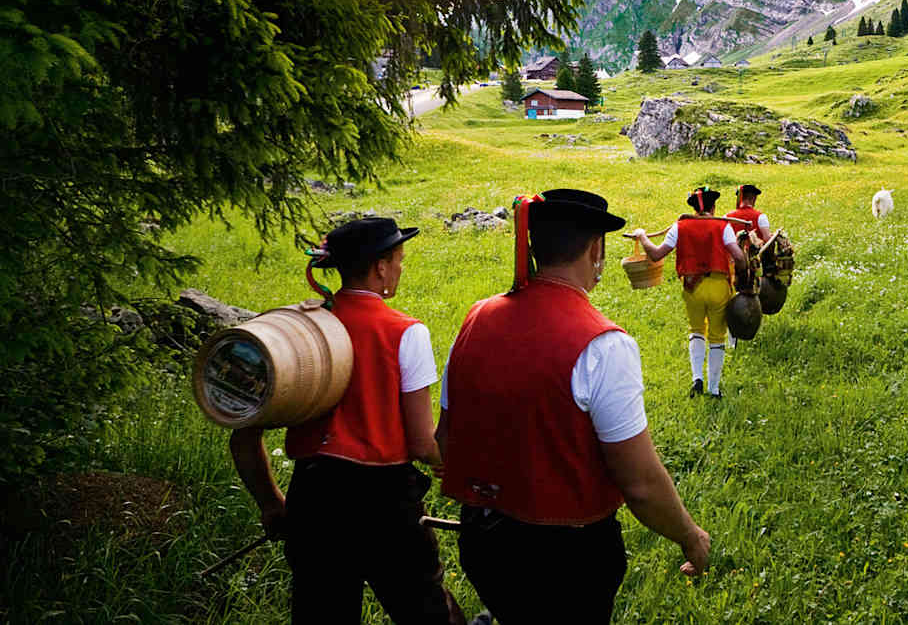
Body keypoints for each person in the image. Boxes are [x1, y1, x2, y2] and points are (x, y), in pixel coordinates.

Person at [439, 190, 710, 624]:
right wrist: (691, 537)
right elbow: (639, 483)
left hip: (483, 541)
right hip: (568, 560)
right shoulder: (605, 344)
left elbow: (444, 438)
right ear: (596, 248)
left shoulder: (476, 318)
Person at [228, 217, 465, 625]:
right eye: (399, 260)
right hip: (386, 503)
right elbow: (422, 444)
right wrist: (452, 467)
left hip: (314, 497)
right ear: (380, 267)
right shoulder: (406, 332)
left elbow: (243, 438)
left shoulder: (300, 333)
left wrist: (271, 503)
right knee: (426, 613)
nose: (401, 269)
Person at [633, 187, 749, 399]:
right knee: (716, 337)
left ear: (694, 208)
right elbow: (739, 259)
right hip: (718, 288)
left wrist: (642, 236)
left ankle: (697, 379)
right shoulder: (722, 226)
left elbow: (657, 254)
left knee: (696, 330)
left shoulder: (680, 226)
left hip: (692, 288)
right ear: (713, 207)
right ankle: (714, 389)